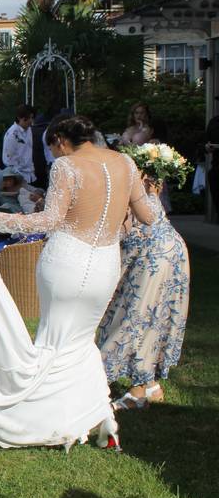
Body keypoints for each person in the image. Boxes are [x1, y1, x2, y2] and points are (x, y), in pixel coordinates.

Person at [0, 115, 155, 450]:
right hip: (106, 264)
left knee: (53, 340)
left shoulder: (67, 166)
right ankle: (99, 420)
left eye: (51, 147)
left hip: (68, 260)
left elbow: (50, 220)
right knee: (81, 341)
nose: (52, 155)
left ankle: (38, 420)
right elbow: (148, 216)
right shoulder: (125, 162)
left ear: (61, 140)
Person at [97, 175, 189, 410]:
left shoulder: (127, 182)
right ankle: (149, 385)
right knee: (152, 317)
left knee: (138, 318)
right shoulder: (147, 182)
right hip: (169, 250)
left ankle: (136, 391)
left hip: (153, 257)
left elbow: (121, 226)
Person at [2, 104, 36, 184]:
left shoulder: (29, 130)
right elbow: (8, 159)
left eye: (32, 118)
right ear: (19, 118)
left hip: (30, 174)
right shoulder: (12, 134)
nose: (30, 121)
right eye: (27, 118)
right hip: (18, 175)